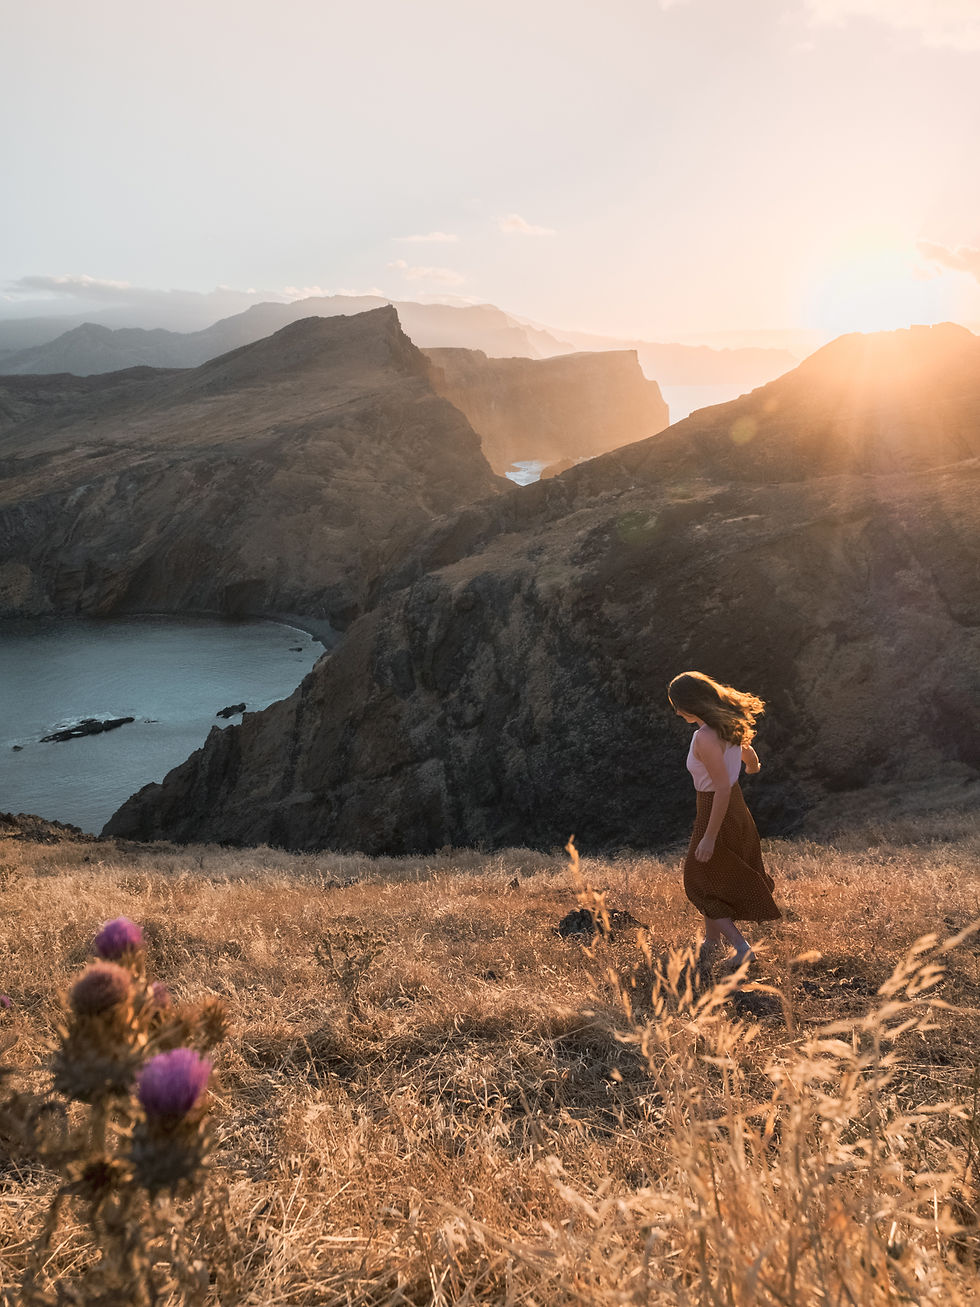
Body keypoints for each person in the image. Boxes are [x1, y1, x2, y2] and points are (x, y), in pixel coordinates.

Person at [667, 670, 780, 970]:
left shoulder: (703, 737)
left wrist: (709, 836)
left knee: (697, 879)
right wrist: (753, 765)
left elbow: (719, 788)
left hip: (716, 807)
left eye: (677, 705)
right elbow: (746, 751)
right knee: (712, 876)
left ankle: (741, 948)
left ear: (690, 704)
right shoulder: (725, 726)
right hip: (735, 806)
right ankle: (711, 941)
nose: (676, 712)